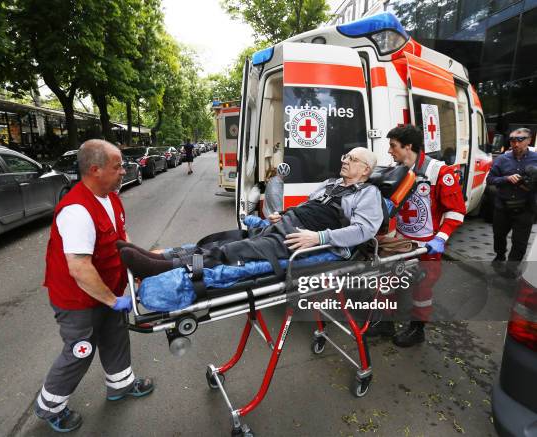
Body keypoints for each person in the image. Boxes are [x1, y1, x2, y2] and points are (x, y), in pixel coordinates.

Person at [35, 139, 154, 433]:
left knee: (115, 336)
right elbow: (79, 268)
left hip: (107, 291)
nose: (124, 171)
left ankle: (121, 385)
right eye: (117, 167)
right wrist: (114, 301)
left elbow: (119, 243)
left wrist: (137, 270)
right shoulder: (76, 210)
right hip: (77, 299)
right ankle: (50, 407)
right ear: (95, 169)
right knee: (80, 350)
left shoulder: (110, 197)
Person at [119, 147, 383, 277]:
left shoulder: (367, 194)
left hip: (306, 237)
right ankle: (166, 254)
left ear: (366, 170)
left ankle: (161, 267)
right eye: (345, 157)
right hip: (290, 223)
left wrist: (320, 239)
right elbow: (309, 205)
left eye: (352, 159)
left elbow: (364, 230)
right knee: (230, 239)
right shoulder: (331, 184)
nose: (345, 161)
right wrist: (285, 212)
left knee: (235, 251)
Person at [378, 125, 466, 347]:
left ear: (408, 146)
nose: (390, 151)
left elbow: (456, 211)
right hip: (401, 240)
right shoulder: (396, 170)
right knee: (387, 279)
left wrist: (441, 239)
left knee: (422, 288)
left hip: (427, 245)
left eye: (393, 146)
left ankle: (417, 330)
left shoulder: (440, 172)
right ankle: (385, 321)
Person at [486, 128, 537, 277]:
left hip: (526, 208)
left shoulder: (535, 159)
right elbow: (490, 180)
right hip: (503, 208)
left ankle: (511, 268)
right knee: (499, 236)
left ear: (529, 140)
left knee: (520, 242)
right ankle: (500, 255)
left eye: (520, 140)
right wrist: (506, 179)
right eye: (512, 140)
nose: (516, 143)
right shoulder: (502, 159)